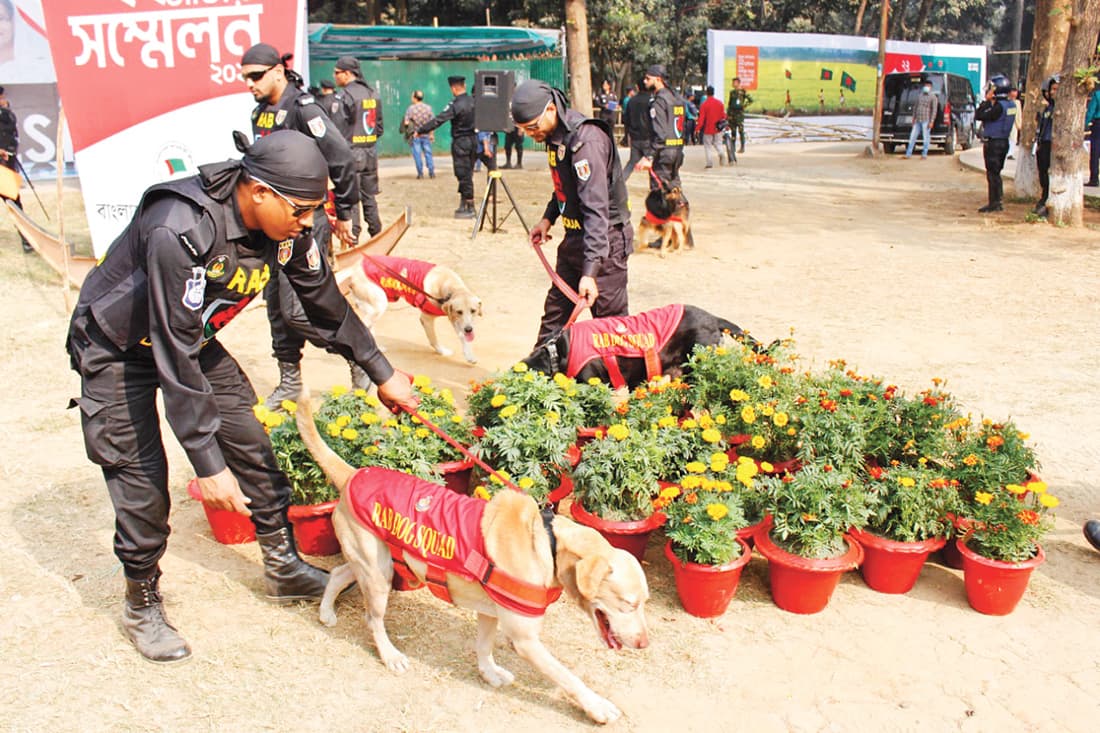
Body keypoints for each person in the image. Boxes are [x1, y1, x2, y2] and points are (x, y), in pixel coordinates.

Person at [65, 130, 418, 664]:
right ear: (257, 192)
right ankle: (142, 602)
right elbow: (171, 348)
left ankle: (282, 566)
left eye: (313, 211)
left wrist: (381, 368)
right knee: (141, 481)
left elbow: (324, 302)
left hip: (190, 338)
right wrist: (206, 462)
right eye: (300, 211)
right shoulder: (178, 226)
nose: (307, 223)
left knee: (253, 444)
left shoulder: (289, 224)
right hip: (118, 347)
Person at [240, 43, 365, 407]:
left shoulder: (303, 108)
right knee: (277, 307)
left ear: (278, 71)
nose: (249, 83)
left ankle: (360, 353)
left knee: (298, 309)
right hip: (271, 228)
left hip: (302, 225)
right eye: (245, 77)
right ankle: (290, 381)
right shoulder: (261, 112)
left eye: (256, 76)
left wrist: (344, 212)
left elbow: (340, 157)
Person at [510, 80, 633, 348]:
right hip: (575, 241)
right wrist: (547, 218)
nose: (531, 134)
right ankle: (535, 380)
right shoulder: (555, 137)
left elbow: (596, 210)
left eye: (532, 127)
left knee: (611, 328)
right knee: (554, 320)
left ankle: (629, 387)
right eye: (523, 130)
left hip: (605, 246)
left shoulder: (586, 141)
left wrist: (590, 271)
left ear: (551, 110)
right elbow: (565, 188)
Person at [331, 55, 384, 239]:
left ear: (347, 73)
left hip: (351, 154)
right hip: (370, 153)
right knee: (369, 197)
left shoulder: (344, 96)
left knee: (350, 198)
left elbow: (337, 132)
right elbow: (379, 128)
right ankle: (377, 235)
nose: (334, 76)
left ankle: (352, 238)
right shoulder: (372, 93)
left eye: (337, 72)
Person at [418, 75, 478, 219]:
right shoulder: (474, 101)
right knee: (468, 173)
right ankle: (464, 202)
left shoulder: (456, 104)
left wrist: (421, 130)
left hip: (461, 142)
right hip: (474, 140)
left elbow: (439, 119)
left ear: (453, 88)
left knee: (462, 174)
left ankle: (470, 206)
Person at [637, 65, 687, 205]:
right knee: (675, 192)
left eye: (648, 78)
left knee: (660, 196)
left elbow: (660, 133)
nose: (645, 82)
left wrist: (649, 156)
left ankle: (663, 225)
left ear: (658, 79)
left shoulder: (659, 101)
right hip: (677, 152)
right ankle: (680, 223)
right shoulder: (677, 99)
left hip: (663, 154)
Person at [974, 74, 1016, 213]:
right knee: (996, 173)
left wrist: (986, 102)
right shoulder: (1011, 104)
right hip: (1004, 141)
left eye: (992, 89)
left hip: (994, 143)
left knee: (992, 174)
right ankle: (997, 200)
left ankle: (994, 202)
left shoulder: (998, 107)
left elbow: (980, 115)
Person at [0, 84, 30, 252]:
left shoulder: (6, 114)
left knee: (13, 203)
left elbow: (11, 130)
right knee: (13, 202)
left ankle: (26, 239)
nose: (4, 100)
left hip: (6, 164)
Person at [1033, 75, 1058, 217]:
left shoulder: (1060, 109)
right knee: (1043, 173)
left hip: (1054, 145)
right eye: (1051, 89)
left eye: (1056, 89)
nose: (1053, 92)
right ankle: (1044, 198)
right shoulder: (1048, 108)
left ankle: (1047, 202)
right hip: (1044, 143)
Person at [621, 79, 651, 180]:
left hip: (635, 137)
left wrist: (629, 132)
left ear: (637, 87)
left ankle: (619, 184)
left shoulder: (631, 101)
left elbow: (626, 119)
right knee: (652, 163)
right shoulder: (651, 100)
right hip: (648, 137)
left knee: (632, 162)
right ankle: (656, 187)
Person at [402, 90, 435, 180]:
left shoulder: (411, 109)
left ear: (415, 98)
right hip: (426, 134)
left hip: (416, 135)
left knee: (417, 154)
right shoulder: (428, 108)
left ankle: (420, 174)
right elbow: (432, 123)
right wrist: (432, 134)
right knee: (428, 153)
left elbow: (406, 122)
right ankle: (431, 172)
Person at [905, 80, 939, 160]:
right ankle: (908, 154)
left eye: (928, 86)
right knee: (912, 137)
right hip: (917, 120)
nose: (926, 87)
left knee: (926, 137)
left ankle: (924, 154)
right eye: (925, 85)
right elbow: (915, 107)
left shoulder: (933, 97)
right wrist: (913, 117)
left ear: (931, 87)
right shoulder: (919, 96)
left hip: (926, 120)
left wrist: (931, 121)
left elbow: (934, 110)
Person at [696, 85, 727, 168]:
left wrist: (697, 129)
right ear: (713, 92)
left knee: (707, 146)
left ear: (707, 93)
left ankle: (709, 163)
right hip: (718, 128)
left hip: (708, 128)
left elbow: (701, 119)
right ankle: (721, 152)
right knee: (718, 143)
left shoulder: (704, 104)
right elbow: (723, 116)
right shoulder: (719, 103)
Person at [727, 77, 752, 153]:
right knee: (733, 131)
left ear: (738, 83)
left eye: (734, 82)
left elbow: (751, 100)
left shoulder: (743, 91)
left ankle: (742, 147)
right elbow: (730, 103)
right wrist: (728, 114)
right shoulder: (732, 92)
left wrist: (744, 106)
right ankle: (733, 148)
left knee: (741, 131)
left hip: (739, 114)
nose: (733, 84)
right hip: (732, 114)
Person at [1085, 79, 1100, 188]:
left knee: (1095, 151)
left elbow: (1091, 111)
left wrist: (1084, 124)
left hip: (1098, 125)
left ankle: (1094, 179)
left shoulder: (1097, 95)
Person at [1006, 86, 1022, 160]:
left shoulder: (1017, 102)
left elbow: (1019, 114)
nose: (1013, 97)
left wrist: (1019, 123)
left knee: (1013, 139)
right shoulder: (1006, 102)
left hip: (1015, 124)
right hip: (1007, 121)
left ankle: (1010, 153)